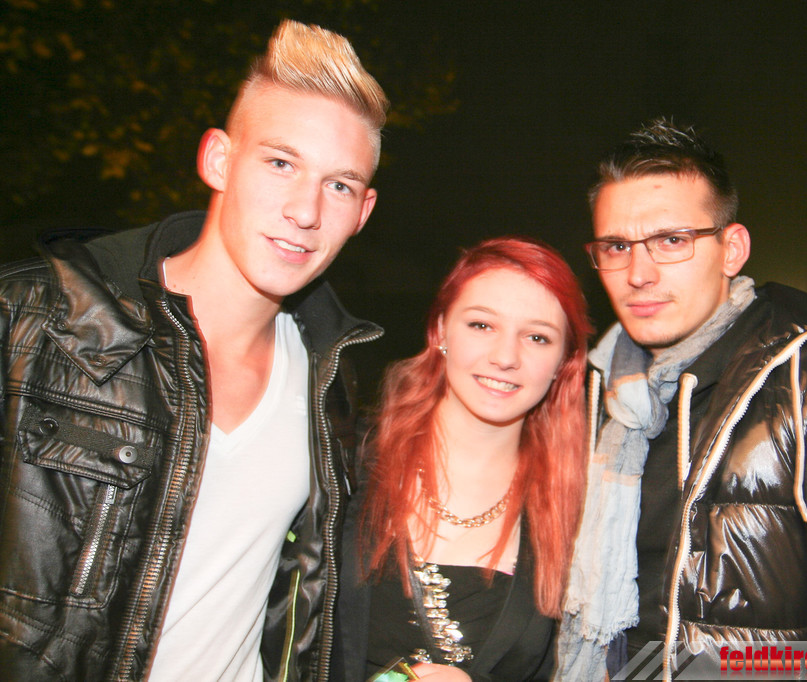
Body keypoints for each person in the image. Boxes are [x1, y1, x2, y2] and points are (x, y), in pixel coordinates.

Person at [0, 19, 388, 681]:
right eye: (281, 163)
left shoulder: (328, 379)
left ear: (363, 212)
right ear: (218, 160)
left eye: (340, 185)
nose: (305, 211)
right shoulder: (34, 320)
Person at [555, 119, 807, 680]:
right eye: (617, 246)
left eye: (671, 241)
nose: (638, 273)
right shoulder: (590, 394)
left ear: (731, 249)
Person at [331, 237, 592, 682]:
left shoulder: (584, 509)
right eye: (481, 325)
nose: (505, 357)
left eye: (537, 337)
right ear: (440, 331)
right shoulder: (343, 465)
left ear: (563, 361)